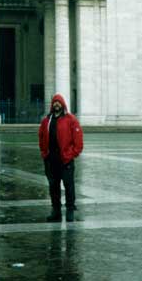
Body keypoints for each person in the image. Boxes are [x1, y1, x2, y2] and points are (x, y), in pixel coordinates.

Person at [37, 93, 83, 223]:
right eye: (55, 102)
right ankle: (56, 211)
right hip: (51, 159)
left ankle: (69, 211)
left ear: (63, 104)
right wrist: (44, 152)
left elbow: (78, 140)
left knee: (69, 186)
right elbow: (40, 136)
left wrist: (72, 153)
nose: (56, 104)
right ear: (52, 105)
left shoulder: (71, 119)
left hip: (65, 159)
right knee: (53, 187)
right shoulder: (47, 120)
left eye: (59, 102)